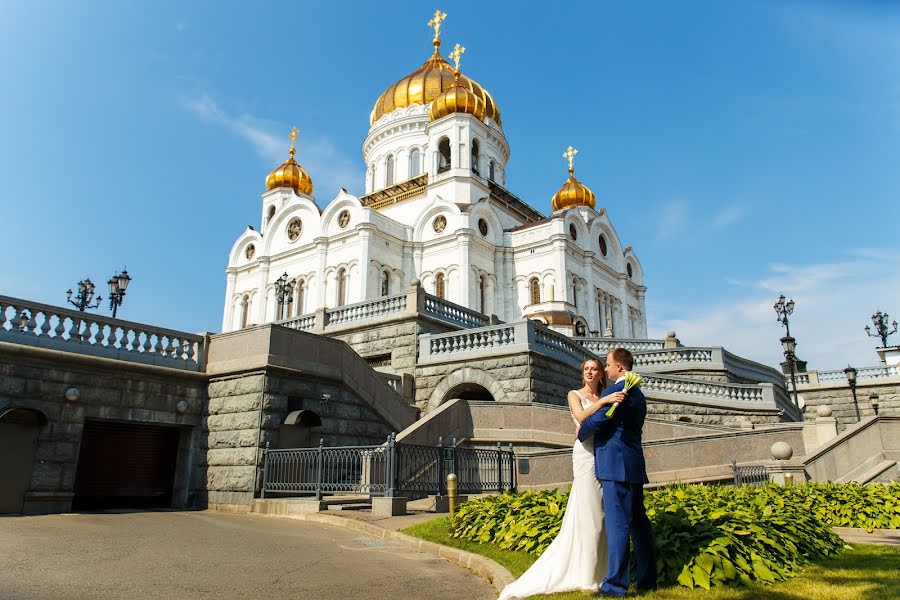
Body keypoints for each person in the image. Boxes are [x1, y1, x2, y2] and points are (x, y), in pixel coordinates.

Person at [498, 358, 621, 600]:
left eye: (594, 368)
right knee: (591, 515)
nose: (589, 372)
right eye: (586, 368)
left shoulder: (605, 394)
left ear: (600, 374)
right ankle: (588, 576)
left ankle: (603, 570)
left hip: (604, 454)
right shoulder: (574, 394)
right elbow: (581, 415)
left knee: (603, 515)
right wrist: (605, 401)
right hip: (585, 455)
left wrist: (605, 400)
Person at [577, 348, 657, 597]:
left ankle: (615, 586)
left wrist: (581, 432)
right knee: (640, 525)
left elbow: (596, 421)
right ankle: (647, 581)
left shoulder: (616, 391)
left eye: (609, 365)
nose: (606, 369)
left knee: (618, 525)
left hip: (614, 466)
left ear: (620, 368)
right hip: (633, 465)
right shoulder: (640, 395)